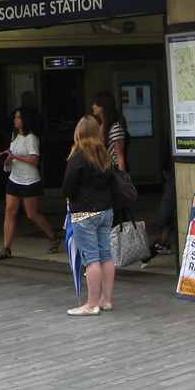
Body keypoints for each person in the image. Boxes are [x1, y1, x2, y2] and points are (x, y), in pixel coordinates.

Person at [61, 115, 115, 316]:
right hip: (106, 211)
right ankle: (106, 299)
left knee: (91, 258)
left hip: (84, 213)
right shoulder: (104, 154)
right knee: (106, 255)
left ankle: (91, 303)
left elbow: (68, 187)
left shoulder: (78, 155)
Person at [0, 104, 60, 260]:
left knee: (31, 214)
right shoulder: (15, 135)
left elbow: (35, 159)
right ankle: (6, 248)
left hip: (29, 180)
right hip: (14, 178)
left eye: (18, 118)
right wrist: (5, 154)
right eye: (15, 117)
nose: (15, 120)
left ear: (25, 120)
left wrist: (15, 157)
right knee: (9, 211)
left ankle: (53, 236)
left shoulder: (32, 137)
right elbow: (12, 150)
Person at [91, 91, 129, 172]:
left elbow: (119, 156)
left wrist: (122, 176)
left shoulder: (115, 128)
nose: (93, 106)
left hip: (112, 170)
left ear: (103, 106)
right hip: (103, 169)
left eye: (95, 103)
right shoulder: (101, 125)